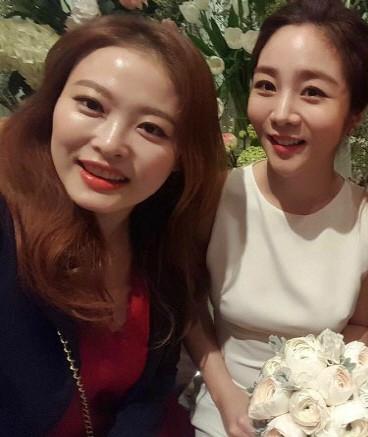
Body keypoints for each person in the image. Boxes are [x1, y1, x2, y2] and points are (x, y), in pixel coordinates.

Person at [0, 15, 225, 436]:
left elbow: (151, 392)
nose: (110, 143)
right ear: (53, 104)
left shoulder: (160, 242)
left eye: (151, 128)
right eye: (91, 105)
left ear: (182, 157)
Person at [185, 1, 368, 436]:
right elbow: (187, 303)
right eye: (266, 85)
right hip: (222, 412)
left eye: (312, 92)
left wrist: (329, 412)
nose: (281, 114)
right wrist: (225, 395)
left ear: (354, 115)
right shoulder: (216, 197)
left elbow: (361, 324)